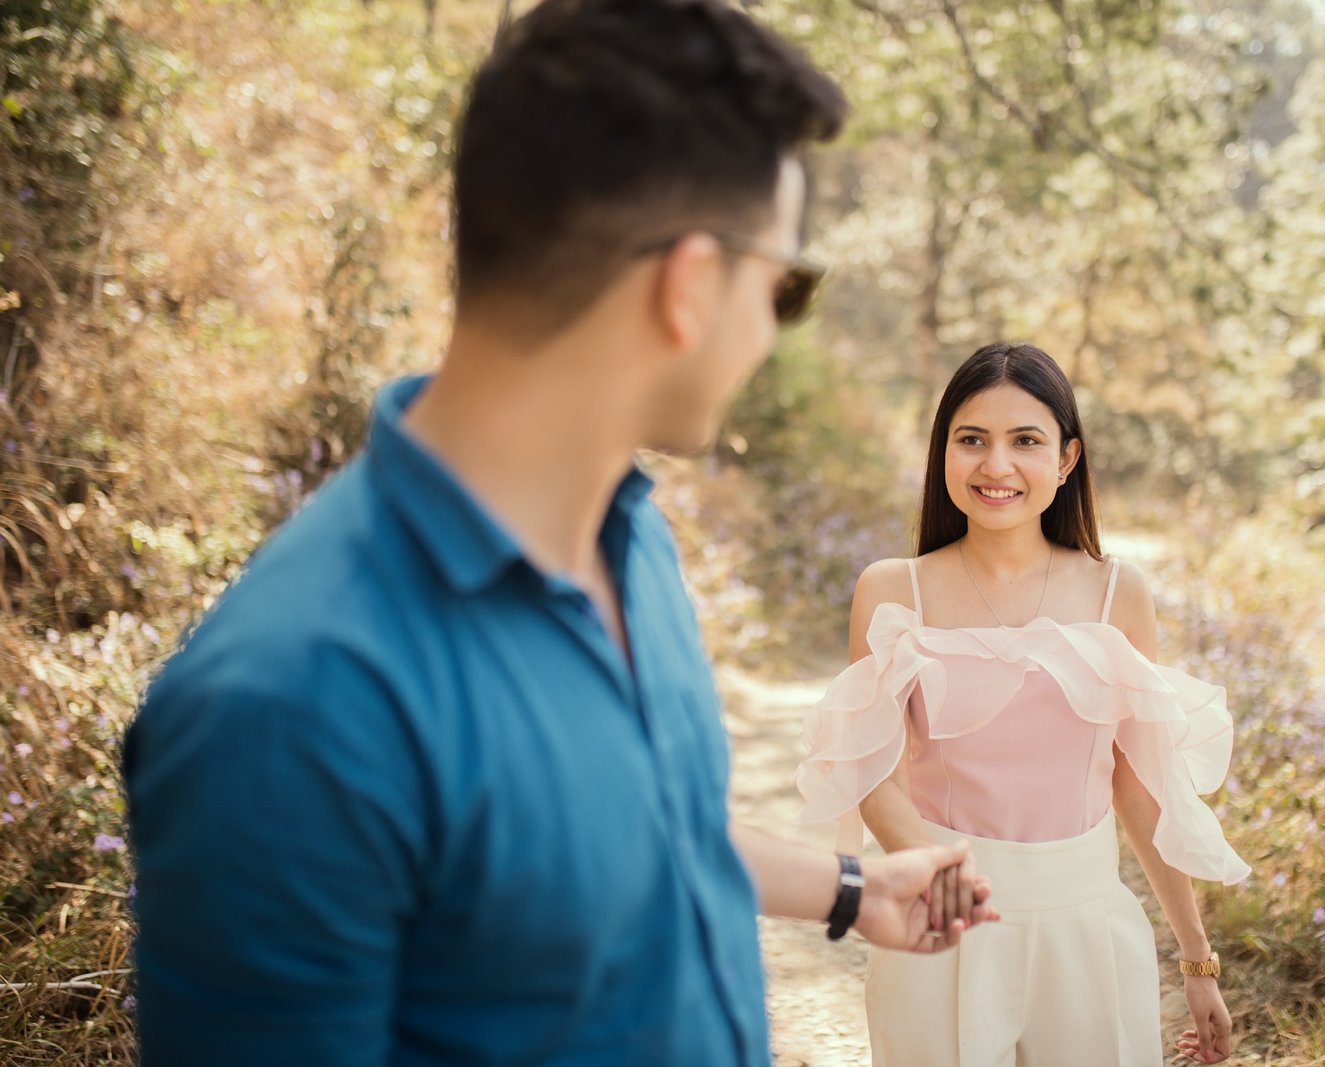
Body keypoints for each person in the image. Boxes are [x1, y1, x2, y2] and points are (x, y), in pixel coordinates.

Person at [121, 2, 998, 1064]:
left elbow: (642, 827)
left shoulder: (634, 541)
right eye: (784, 287)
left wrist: (852, 887)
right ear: (687, 285)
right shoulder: (291, 708)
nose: (772, 330)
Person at [794, 341, 1252, 1066]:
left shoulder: (1116, 592)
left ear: (1067, 460)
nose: (996, 465)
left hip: (1086, 927)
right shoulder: (893, 590)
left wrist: (1198, 961)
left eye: (1026, 441)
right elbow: (874, 771)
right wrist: (935, 868)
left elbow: (1142, 787)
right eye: (972, 439)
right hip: (942, 922)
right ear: (943, 451)